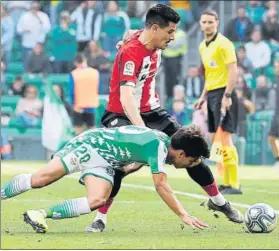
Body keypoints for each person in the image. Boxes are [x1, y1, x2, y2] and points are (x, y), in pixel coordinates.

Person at [88, 4, 243, 233]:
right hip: (120, 112)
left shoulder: (150, 39)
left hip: (153, 111)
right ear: (154, 29)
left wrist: (128, 35)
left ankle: (219, 201)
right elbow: (126, 97)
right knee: (121, 166)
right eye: (170, 32)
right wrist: (144, 135)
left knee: (191, 150)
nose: (172, 37)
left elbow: (135, 33)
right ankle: (100, 218)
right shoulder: (130, 52)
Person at [1, 125, 214, 233]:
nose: (191, 165)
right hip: (89, 146)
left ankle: (39, 214)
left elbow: (132, 156)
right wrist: (183, 214)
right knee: (40, 180)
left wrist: (124, 168)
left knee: (97, 200)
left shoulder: (161, 145)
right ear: (182, 153)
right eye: (193, 160)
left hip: (105, 162)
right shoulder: (158, 146)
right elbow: (161, 185)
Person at [194, 9, 241, 195]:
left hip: (224, 93)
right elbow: (209, 73)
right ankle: (226, 182)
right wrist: (202, 97)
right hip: (212, 94)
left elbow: (233, 71)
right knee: (216, 140)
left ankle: (235, 184)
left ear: (217, 23)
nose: (207, 25)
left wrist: (227, 96)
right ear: (200, 24)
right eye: (204, 22)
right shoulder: (202, 46)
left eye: (210, 22)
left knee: (226, 138)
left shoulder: (224, 44)